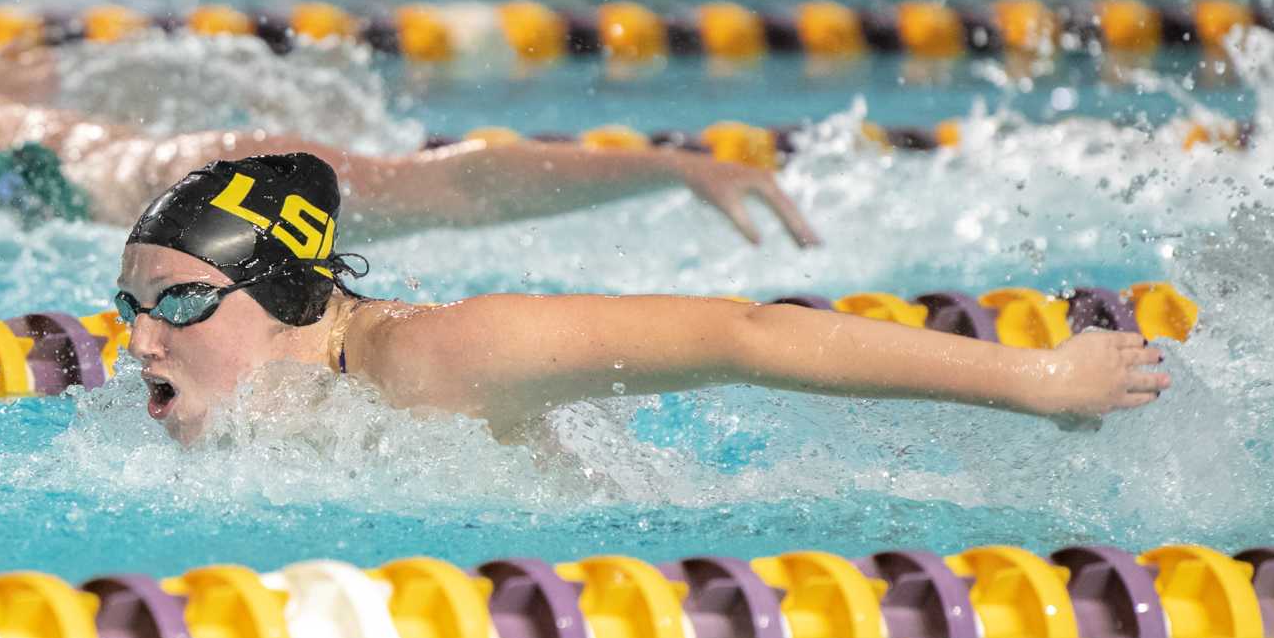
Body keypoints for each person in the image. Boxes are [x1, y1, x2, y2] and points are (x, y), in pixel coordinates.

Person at [117, 152, 1172, 445]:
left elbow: (742, 334)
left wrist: (1041, 376)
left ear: (284, 294)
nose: (139, 341)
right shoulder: (264, 422)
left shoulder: (437, 358)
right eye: (127, 304)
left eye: (177, 303)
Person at [0, 40, 818, 246]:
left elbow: (466, 187)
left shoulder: (252, 180)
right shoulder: (227, 176)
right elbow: (464, 189)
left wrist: (668, 168)